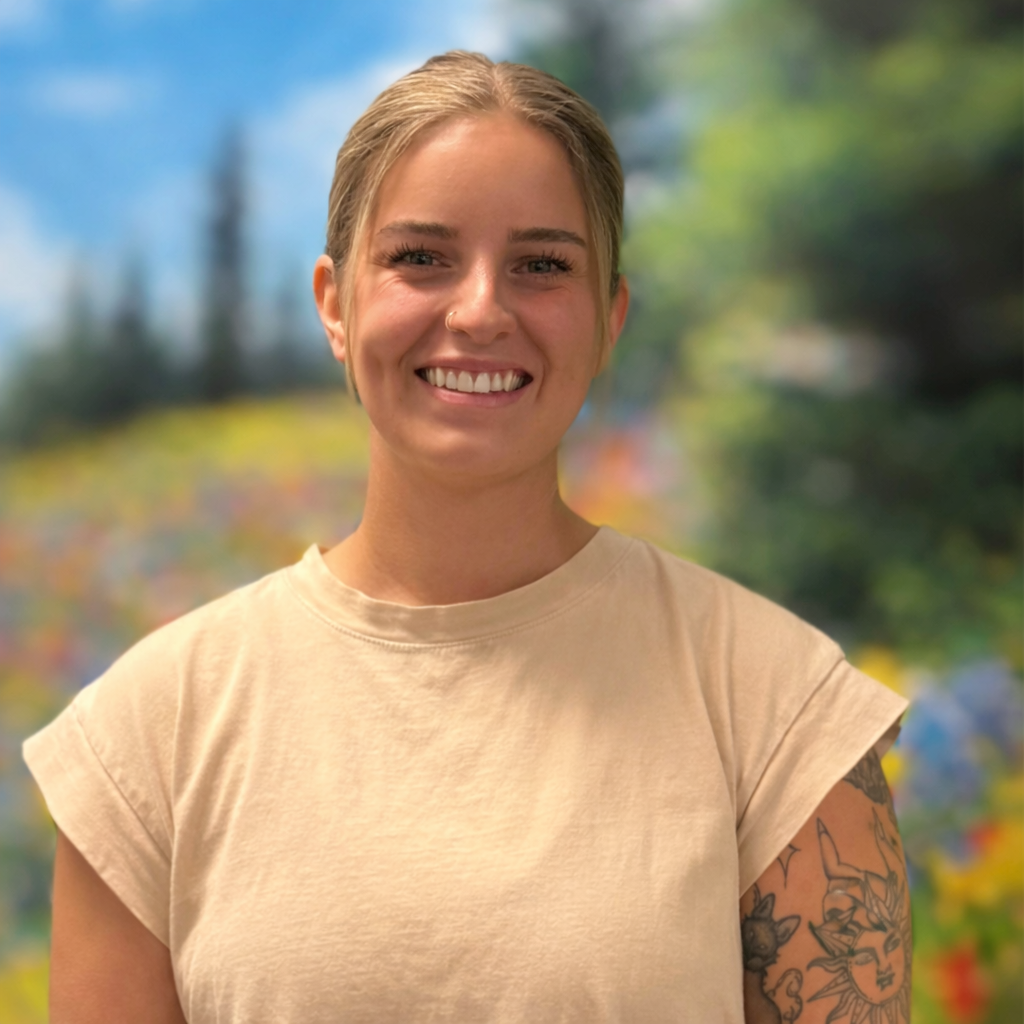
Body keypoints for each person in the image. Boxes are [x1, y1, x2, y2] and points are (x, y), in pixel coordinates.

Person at [23, 51, 910, 1023]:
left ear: (608, 316)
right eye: (419, 257)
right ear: (333, 302)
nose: (480, 309)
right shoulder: (148, 735)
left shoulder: (779, 715)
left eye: (541, 265)